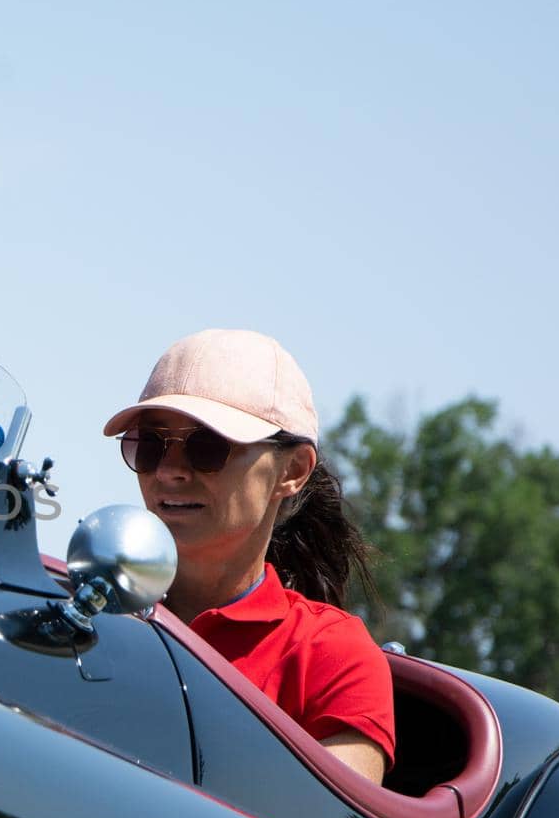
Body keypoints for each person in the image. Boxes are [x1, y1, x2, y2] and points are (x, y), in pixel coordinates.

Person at [102, 328, 394, 783]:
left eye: (207, 447)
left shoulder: (333, 656)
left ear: (292, 470)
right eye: (151, 445)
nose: (170, 471)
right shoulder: (85, 615)